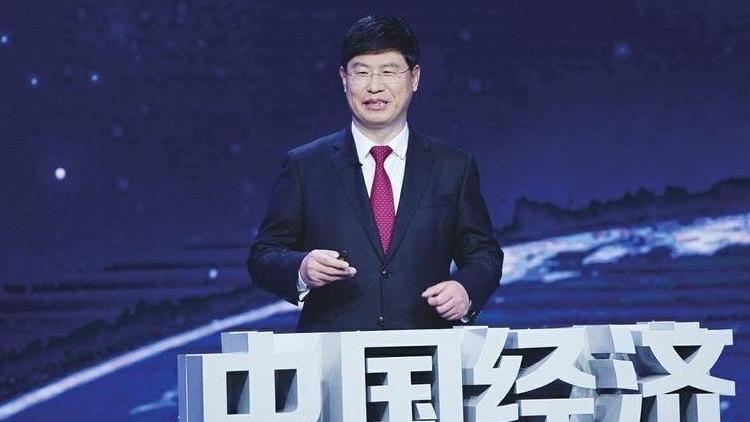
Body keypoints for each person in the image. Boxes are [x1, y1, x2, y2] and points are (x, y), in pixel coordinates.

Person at [248, 15, 503, 332]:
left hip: (426, 350)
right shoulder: (305, 166)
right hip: (331, 353)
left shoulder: (453, 167)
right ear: (344, 78)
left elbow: (483, 254)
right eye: (362, 72)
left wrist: (465, 290)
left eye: (389, 71)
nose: (374, 86)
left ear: (415, 78)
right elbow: (264, 255)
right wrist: (301, 268)